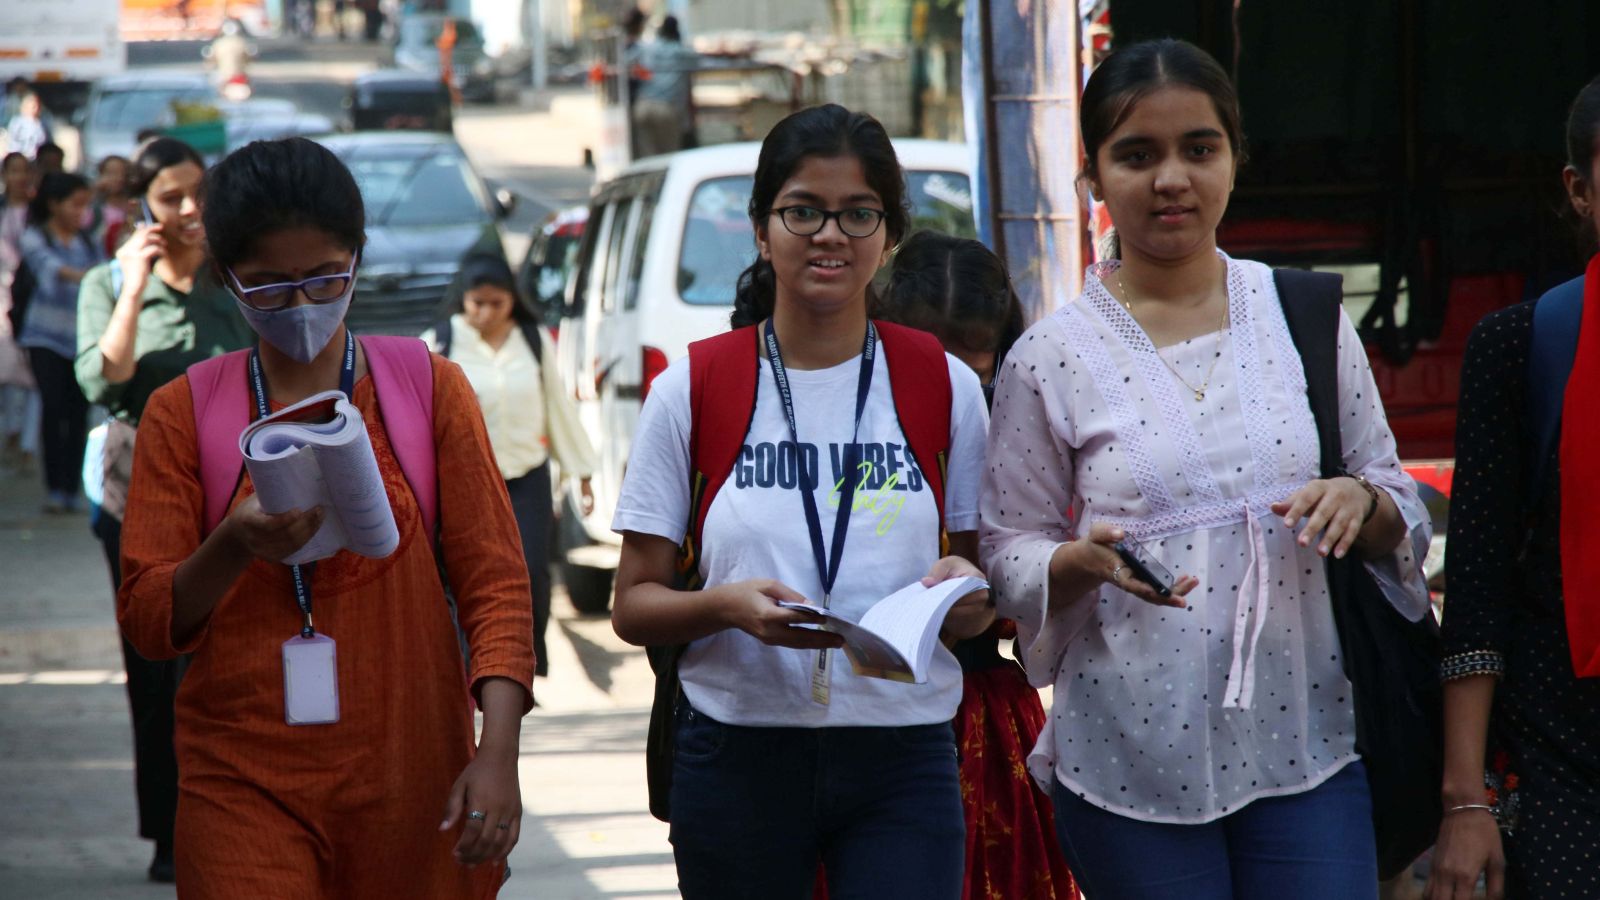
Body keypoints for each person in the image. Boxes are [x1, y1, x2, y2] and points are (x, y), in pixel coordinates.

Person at [979, 39, 1430, 900]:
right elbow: (1006, 549)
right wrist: (1073, 561)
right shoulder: (1049, 358)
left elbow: (1393, 493)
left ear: (1234, 159)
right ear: (1095, 178)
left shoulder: (1303, 313)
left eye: (1199, 148)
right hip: (1127, 763)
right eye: (1137, 155)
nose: (1170, 179)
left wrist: (1359, 500)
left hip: (1309, 744)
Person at [116, 137, 535, 896]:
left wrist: (497, 750)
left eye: (323, 278)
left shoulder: (429, 389)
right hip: (241, 782)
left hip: (414, 779)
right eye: (270, 286)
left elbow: (496, 585)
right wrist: (233, 543)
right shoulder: (182, 414)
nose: (301, 305)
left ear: (356, 259)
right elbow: (149, 621)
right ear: (226, 279)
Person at [610, 103, 994, 899]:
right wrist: (725, 608)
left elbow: (980, 590)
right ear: (761, 229)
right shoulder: (694, 386)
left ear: (889, 235)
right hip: (739, 752)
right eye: (803, 212)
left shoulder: (942, 384)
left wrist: (964, 597)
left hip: (903, 754)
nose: (830, 235)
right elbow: (633, 604)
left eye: (858, 214)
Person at [1425, 73, 1600, 900]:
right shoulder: (1523, 344)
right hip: (1565, 755)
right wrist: (1467, 801)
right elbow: (1479, 584)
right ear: (1579, 189)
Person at [874, 231, 1078, 900]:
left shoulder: (1023, 430)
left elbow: (1042, 585)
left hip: (975, 721)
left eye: (976, 359)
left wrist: (999, 598)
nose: (958, 383)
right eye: (933, 357)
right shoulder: (848, 422)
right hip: (859, 713)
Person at [74, 137, 255, 883]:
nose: (190, 212)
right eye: (170, 199)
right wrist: (133, 281)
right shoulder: (111, 282)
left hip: (235, 502)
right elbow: (102, 375)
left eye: (198, 195)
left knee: (233, 662)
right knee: (157, 670)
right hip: (141, 502)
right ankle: (171, 832)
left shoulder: (236, 278)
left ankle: (236, 816)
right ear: (140, 210)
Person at [422, 253, 598, 681]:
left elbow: (558, 408)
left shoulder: (533, 340)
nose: (484, 313)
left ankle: (523, 666)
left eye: (495, 303)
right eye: (475, 303)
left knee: (532, 572)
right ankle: (471, 669)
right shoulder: (438, 342)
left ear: (511, 301)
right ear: (462, 300)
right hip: (464, 482)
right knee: (467, 576)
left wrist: (583, 474)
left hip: (526, 476)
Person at [18, 171, 102, 513]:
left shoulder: (86, 239)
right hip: (44, 338)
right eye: (75, 203)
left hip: (81, 337)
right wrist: (96, 277)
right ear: (54, 205)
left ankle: (72, 487)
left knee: (78, 412)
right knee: (53, 410)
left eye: (86, 204)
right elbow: (52, 270)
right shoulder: (35, 237)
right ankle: (55, 488)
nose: (81, 211)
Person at [0, 151, 37, 473]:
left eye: (25, 171)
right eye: (14, 171)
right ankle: (12, 431)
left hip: (30, 298)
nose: (20, 177)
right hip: (2, 299)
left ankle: (26, 443)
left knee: (31, 374)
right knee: (8, 370)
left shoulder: (38, 216)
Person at [628, 15, 698, 158]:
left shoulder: (647, 48)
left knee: (647, 158)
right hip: (666, 110)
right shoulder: (683, 53)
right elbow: (702, 60)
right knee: (668, 159)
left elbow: (626, 60)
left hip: (643, 107)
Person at [87, 154, 131, 254]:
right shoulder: (94, 209)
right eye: (111, 173)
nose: (118, 178)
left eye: (123, 173)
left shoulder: (135, 206)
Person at [6, 92, 50, 160]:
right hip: (21, 157)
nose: (36, 109)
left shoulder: (43, 123)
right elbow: (13, 142)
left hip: (38, 158)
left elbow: (47, 141)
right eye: (33, 107)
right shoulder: (17, 123)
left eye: (38, 106)